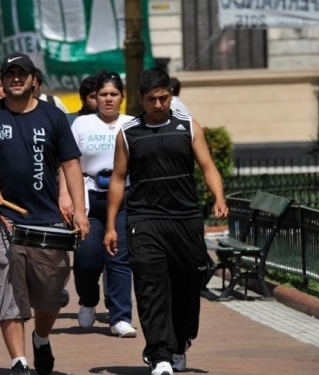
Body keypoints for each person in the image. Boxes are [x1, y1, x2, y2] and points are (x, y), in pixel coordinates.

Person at [0, 52, 89, 375]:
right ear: (2, 80)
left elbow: (71, 164)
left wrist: (81, 210)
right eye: (10, 73)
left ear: (34, 79)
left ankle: (41, 338)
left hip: (48, 221)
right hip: (3, 220)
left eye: (22, 73)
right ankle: (19, 362)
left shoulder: (53, 117)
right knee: (9, 293)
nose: (16, 78)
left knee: (49, 297)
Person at [103, 67, 229, 375]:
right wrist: (110, 225)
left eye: (163, 98)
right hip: (145, 220)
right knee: (150, 286)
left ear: (170, 96)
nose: (158, 105)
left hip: (185, 219)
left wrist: (219, 197)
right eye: (151, 100)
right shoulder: (128, 133)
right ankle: (159, 354)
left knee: (188, 283)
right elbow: (118, 179)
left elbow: (208, 167)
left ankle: (179, 343)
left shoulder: (188, 126)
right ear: (140, 100)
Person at [66, 72, 136, 338]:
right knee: (86, 260)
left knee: (118, 257)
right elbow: (68, 163)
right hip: (88, 197)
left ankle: (120, 317)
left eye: (113, 94)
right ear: (95, 97)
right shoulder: (82, 124)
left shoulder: (131, 124)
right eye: (103, 94)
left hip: (121, 198)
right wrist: (68, 199)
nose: (108, 99)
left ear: (122, 97)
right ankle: (87, 301)